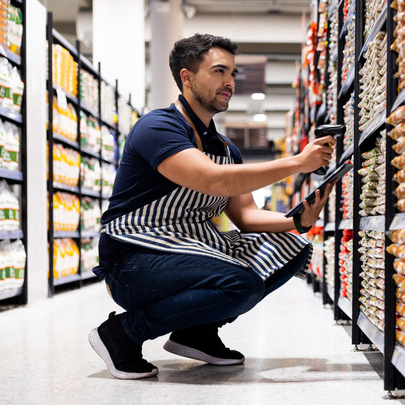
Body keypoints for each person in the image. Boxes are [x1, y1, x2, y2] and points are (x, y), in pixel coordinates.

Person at [88, 33, 335, 380]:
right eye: (219, 72)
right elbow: (212, 180)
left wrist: (297, 219)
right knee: (240, 283)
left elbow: (245, 216)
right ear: (187, 77)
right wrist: (297, 163)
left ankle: (196, 332)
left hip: (190, 249)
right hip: (133, 260)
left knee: (295, 249)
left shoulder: (224, 147)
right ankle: (122, 333)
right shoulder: (158, 127)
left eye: (233, 74)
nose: (230, 82)